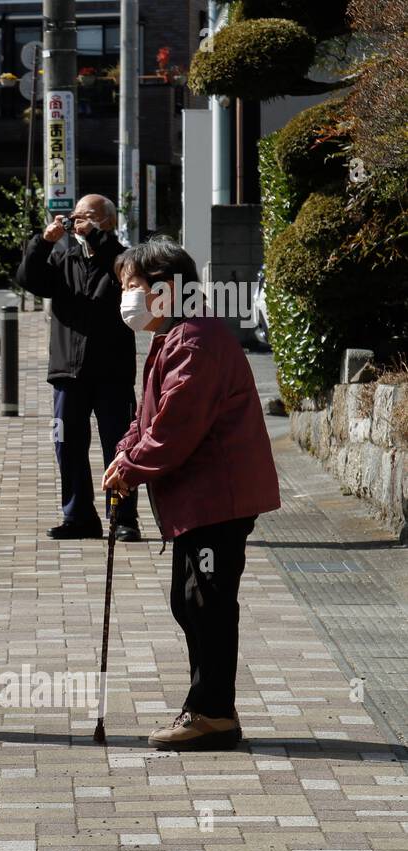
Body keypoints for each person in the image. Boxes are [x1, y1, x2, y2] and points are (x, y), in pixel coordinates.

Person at [101, 238, 281, 751]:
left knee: (204, 601)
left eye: (132, 286)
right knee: (195, 601)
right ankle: (208, 707)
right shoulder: (176, 336)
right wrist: (124, 452)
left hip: (216, 499)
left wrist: (131, 467)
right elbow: (149, 418)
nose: (127, 298)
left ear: (167, 289)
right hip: (202, 498)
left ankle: (212, 712)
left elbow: (176, 426)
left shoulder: (194, 339)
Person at [15, 193, 141, 542]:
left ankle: (123, 518)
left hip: (112, 371)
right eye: (75, 217)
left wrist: (96, 237)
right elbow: (29, 279)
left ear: (108, 222)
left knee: (119, 447)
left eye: (87, 217)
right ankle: (78, 517)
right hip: (67, 371)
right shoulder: (63, 257)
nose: (77, 222)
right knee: (66, 444)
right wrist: (43, 242)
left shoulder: (123, 260)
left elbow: (128, 275)